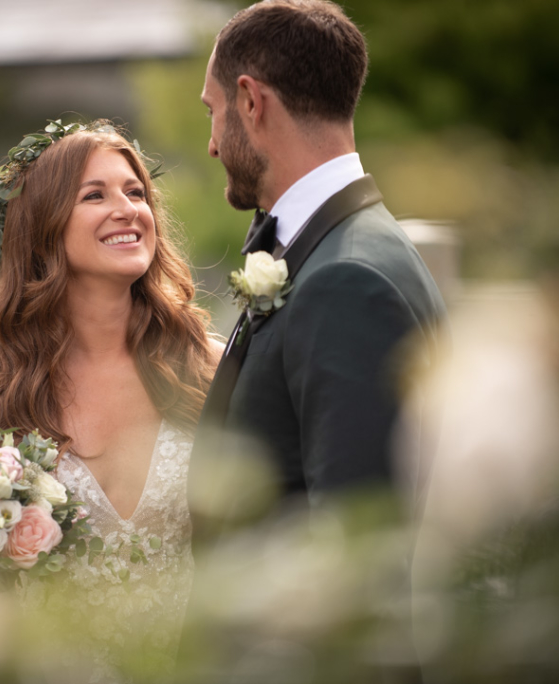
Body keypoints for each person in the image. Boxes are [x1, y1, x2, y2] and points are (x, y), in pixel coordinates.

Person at [0, 120, 222, 681]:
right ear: (43, 227)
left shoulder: (207, 366)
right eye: (96, 195)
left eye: (135, 193)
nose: (128, 209)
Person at [191, 0, 448, 532]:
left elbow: (355, 553)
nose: (212, 145)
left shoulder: (346, 281)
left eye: (212, 111)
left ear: (249, 100)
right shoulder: (339, 246)